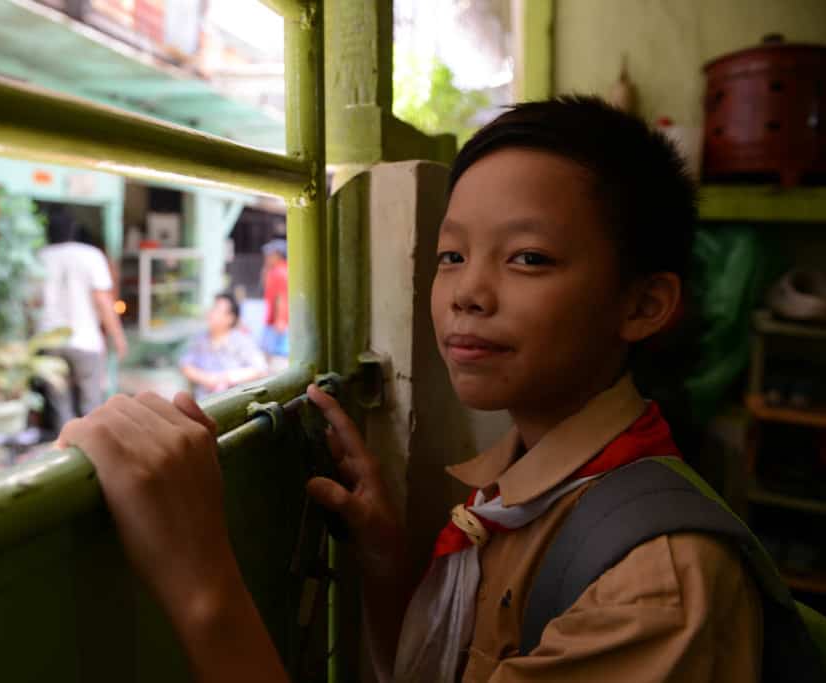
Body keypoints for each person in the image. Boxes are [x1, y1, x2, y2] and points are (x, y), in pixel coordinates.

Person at [58, 97, 763, 682]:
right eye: (451, 255)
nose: (467, 294)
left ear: (643, 305)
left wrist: (201, 579)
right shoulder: (515, 486)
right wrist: (390, 561)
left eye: (528, 257)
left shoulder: (653, 594)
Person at [38, 210, 127, 430]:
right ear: (73, 231)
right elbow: (103, 300)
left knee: (60, 405)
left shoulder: (40, 257)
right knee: (92, 405)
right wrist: (117, 336)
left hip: (50, 341)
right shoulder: (90, 255)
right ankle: (92, 455)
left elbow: (31, 303)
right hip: (85, 340)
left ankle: (65, 454)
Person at [179, 293, 269, 400]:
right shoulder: (201, 339)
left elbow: (260, 369)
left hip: (232, 404)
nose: (210, 313)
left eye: (216, 310)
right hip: (202, 403)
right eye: (212, 308)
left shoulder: (241, 341)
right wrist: (206, 378)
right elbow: (185, 365)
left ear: (230, 318)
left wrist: (225, 377)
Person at [260, 238, 289, 369]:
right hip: (275, 321)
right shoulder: (278, 270)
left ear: (277, 255)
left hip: (276, 322)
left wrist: (280, 319)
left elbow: (282, 297)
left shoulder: (279, 272)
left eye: (270, 254)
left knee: (276, 358)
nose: (266, 257)